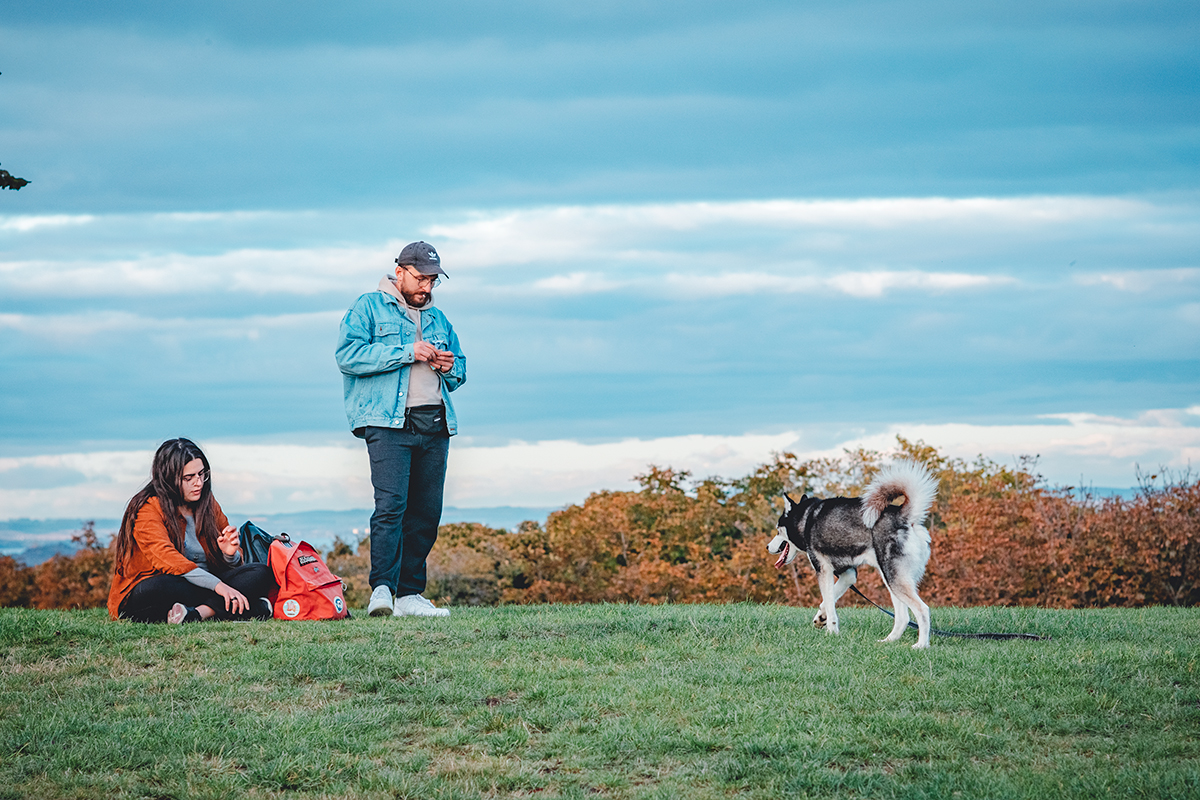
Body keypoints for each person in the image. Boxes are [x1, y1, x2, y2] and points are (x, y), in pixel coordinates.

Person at [335, 240, 466, 618]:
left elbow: (461, 372)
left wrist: (447, 365)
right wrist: (409, 352)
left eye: (433, 280)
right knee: (391, 507)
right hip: (387, 422)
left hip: (435, 421)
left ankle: (410, 595)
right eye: (421, 278)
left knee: (426, 512)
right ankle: (382, 591)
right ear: (400, 272)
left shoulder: (440, 319)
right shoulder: (368, 307)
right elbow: (348, 356)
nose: (427, 286)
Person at [108, 438, 277, 623]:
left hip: (206, 585)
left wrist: (230, 556)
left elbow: (231, 561)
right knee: (158, 587)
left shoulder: (208, 503)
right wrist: (219, 587)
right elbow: (167, 559)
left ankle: (197, 614)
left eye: (201, 474)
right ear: (168, 478)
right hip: (167, 585)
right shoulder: (148, 508)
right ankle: (245, 609)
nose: (198, 483)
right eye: (188, 478)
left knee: (260, 572)